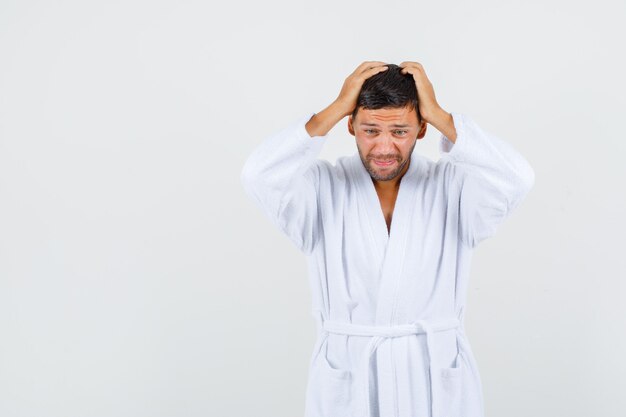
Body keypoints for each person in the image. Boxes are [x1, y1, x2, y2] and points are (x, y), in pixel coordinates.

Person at [240, 61, 535, 417]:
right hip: (351, 378)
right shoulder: (321, 189)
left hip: (432, 380)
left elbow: (517, 179)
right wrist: (334, 108)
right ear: (349, 125)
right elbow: (258, 175)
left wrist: (441, 115)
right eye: (370, 130)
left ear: (421, 130)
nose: (383, 147)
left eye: (399, 131)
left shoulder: (452, 188)